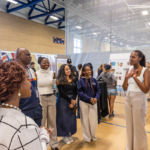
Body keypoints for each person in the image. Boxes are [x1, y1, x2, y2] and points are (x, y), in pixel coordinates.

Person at [0, 61, 50, 150]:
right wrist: (44, 136)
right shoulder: (23, 126)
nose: (30, 84)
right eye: (27, 79)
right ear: (18, 86)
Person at [122, 50, 149, 150]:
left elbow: (146, 89)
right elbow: (124, 88)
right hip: (128, 97)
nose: (131, 59)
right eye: (130, 56)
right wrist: (127, 77)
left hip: (139, 98)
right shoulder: (129, 69)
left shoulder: (145, 70)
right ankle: (130, 147)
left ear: (140, 58)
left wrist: (135, 78)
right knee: (129, 125)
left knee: (139, 126)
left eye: (133, 57)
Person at [15, 48, 42, 127]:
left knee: (37, 135)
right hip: (24, 110)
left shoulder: (31, 70)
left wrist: (39, 105)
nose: (30, 57)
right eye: (27, 55)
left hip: (36, 109)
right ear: (19, 55)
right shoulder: (14, 72)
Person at [36, 57, 59, 150]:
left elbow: (54, 86)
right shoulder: (36, 73)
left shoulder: (52, 73)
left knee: (52, 122)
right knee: (41, 123)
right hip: (41, 98)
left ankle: (54, 144)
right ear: (40, 63)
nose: (46, 64)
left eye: (48, 62)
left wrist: (56, 84)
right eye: (44, 62)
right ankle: (40, 145)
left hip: (51, 97)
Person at [78, 63, 101, 142]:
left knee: (93, 120)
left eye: (90, 70)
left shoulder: (94, 80)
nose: (89, 71)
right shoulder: (81, 80)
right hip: (84, 102)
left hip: (93, 102)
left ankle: (93, 135)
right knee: (85, 120)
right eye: (87, 70)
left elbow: (98, 90)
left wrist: (96, 98)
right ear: (83, 72)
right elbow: (80, 93)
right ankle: (87, 137)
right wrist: (89, 99)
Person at [56, 64, 77, 145]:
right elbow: (61, 93)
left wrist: (74, 100)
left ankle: (69, 134)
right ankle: (65, 136)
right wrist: (70, 100)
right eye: (66, 69)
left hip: (72, 100)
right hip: (62, 100)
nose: (68, 71)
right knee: (64, 119)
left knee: (71, 119)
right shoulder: (60, 80)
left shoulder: (74, 79)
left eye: (69, 69)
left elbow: (76, 91)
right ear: (63, 71)